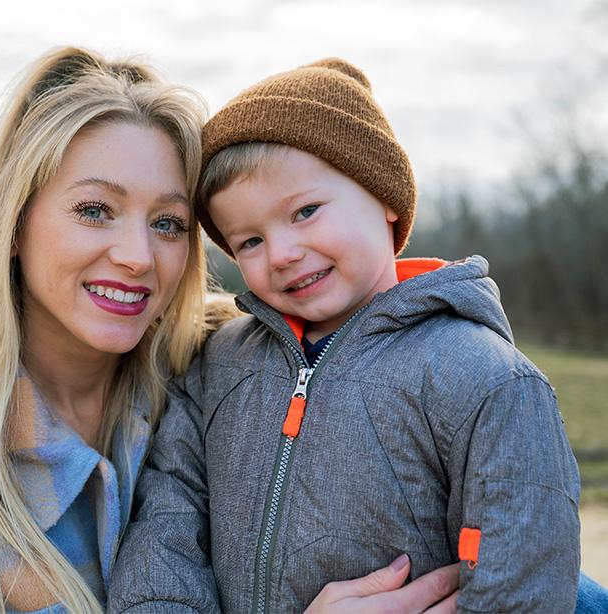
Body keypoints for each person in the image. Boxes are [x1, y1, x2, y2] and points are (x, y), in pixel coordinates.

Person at [0, 48, 464, 614]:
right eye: (95, 210)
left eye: (168, 223)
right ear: (12, 224)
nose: (138, 256)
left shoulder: (235, 368)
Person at [108, 58, 586, 612]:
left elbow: (522, 588)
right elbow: (166, 536)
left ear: (383, 196)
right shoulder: (216, 367)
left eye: (305, 211)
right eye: (249, 241)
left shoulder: (485, 380)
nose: (282, 253)